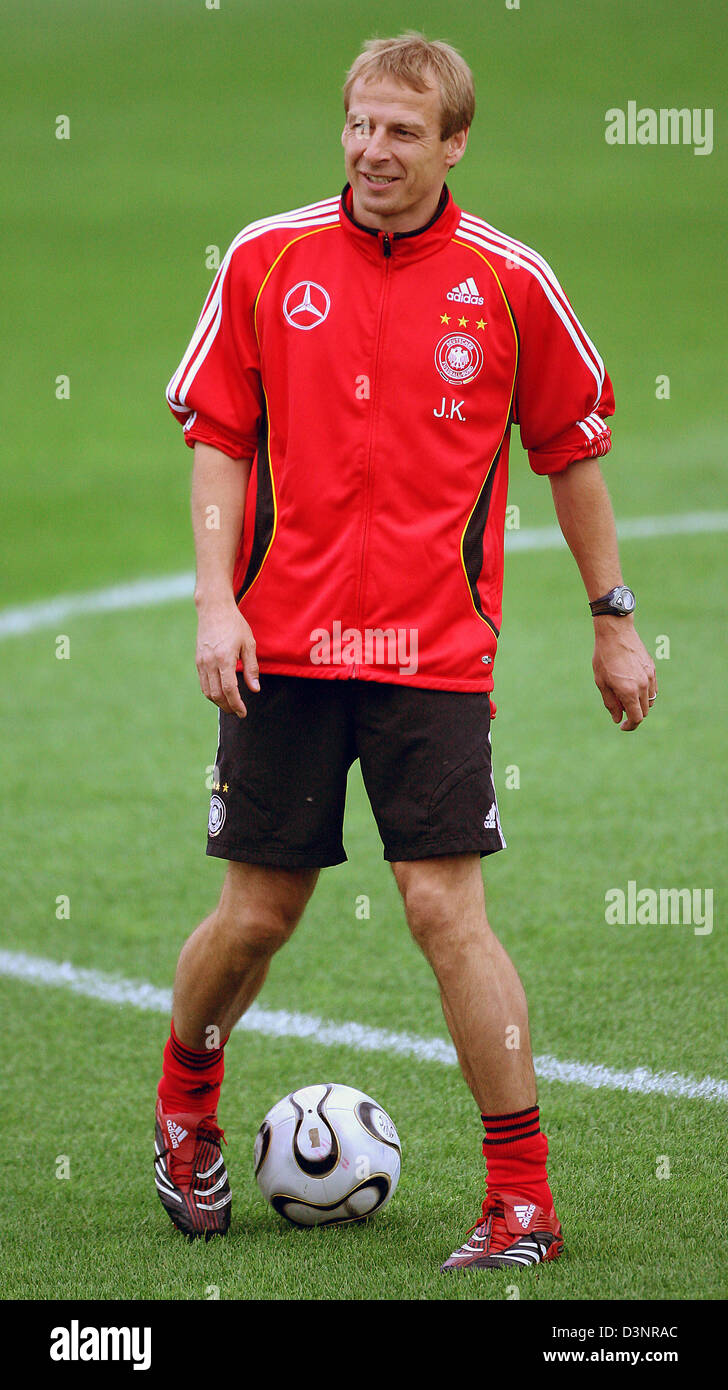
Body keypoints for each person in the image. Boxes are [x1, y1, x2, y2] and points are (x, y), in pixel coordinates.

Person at [156, 32, 657, 1270]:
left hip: (432, 650)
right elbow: (217, 434)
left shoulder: (507, 281)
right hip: (282, 643)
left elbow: (569, 449)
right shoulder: (269, 260)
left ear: (452, 144)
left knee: (444, 907)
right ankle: (185, 1113)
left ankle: (520, 1199)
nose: (372, 151)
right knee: (259, 912)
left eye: (399, 132)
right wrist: (216, 601)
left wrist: (612, 615)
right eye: (358, 126)